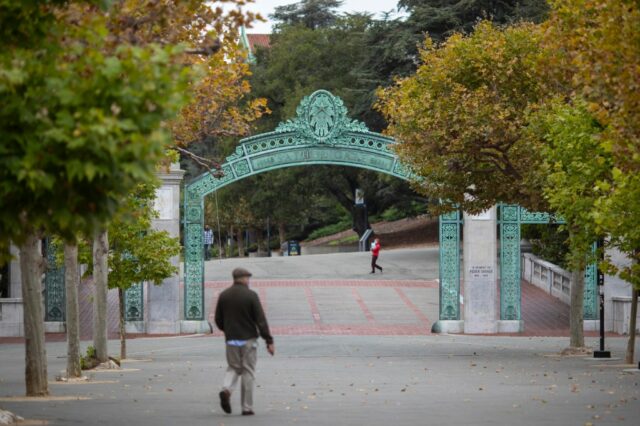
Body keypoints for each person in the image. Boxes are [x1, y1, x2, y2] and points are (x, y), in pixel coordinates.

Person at [215, 268, 275, 416]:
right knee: (248, 371)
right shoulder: (251, 296)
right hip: (249, 339)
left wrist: (227, 330)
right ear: (242, 278)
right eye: (248, 278)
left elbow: (218, 319)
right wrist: (269, 340)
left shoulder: (224, 296)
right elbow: (260, 320)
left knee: (233, 367)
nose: (249, 281)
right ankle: (247, 407)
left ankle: (226, 389)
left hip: (231, 340)